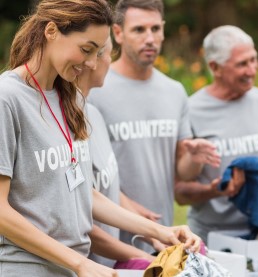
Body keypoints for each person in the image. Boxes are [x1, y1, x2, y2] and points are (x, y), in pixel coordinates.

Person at [0, 1, 201, 276]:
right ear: (51, 31)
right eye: (86, 49)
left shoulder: (68, 99)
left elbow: (83, 193)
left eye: (97, 52)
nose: (92, 63)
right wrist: (81, 263)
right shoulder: (7, 99)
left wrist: (162, 231)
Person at [89, 0, 220, 252]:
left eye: (155, 29)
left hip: (164, 239)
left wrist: (193, 157)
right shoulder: (96, 88)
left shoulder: (175, 91)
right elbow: (89, 176)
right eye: (139, 30)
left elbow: (184, 174)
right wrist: (132, 216)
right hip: (108, 242)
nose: (149, 38)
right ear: (118, 33)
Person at [174, 25, 258, 243]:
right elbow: (180, 192)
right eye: (242, 64)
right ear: (215, 67)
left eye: (253, 59)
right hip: (211, 237)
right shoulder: (190, 110)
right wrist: (215, 191)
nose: (252, 70)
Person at [78, 37, 156, 268]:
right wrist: (147, 258)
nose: (110, 64)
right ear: (92, 59)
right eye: (110, 55)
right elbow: (83, 223)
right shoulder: (67, 125)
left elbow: (105, 185)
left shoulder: (93, 114)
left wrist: (155, 233)